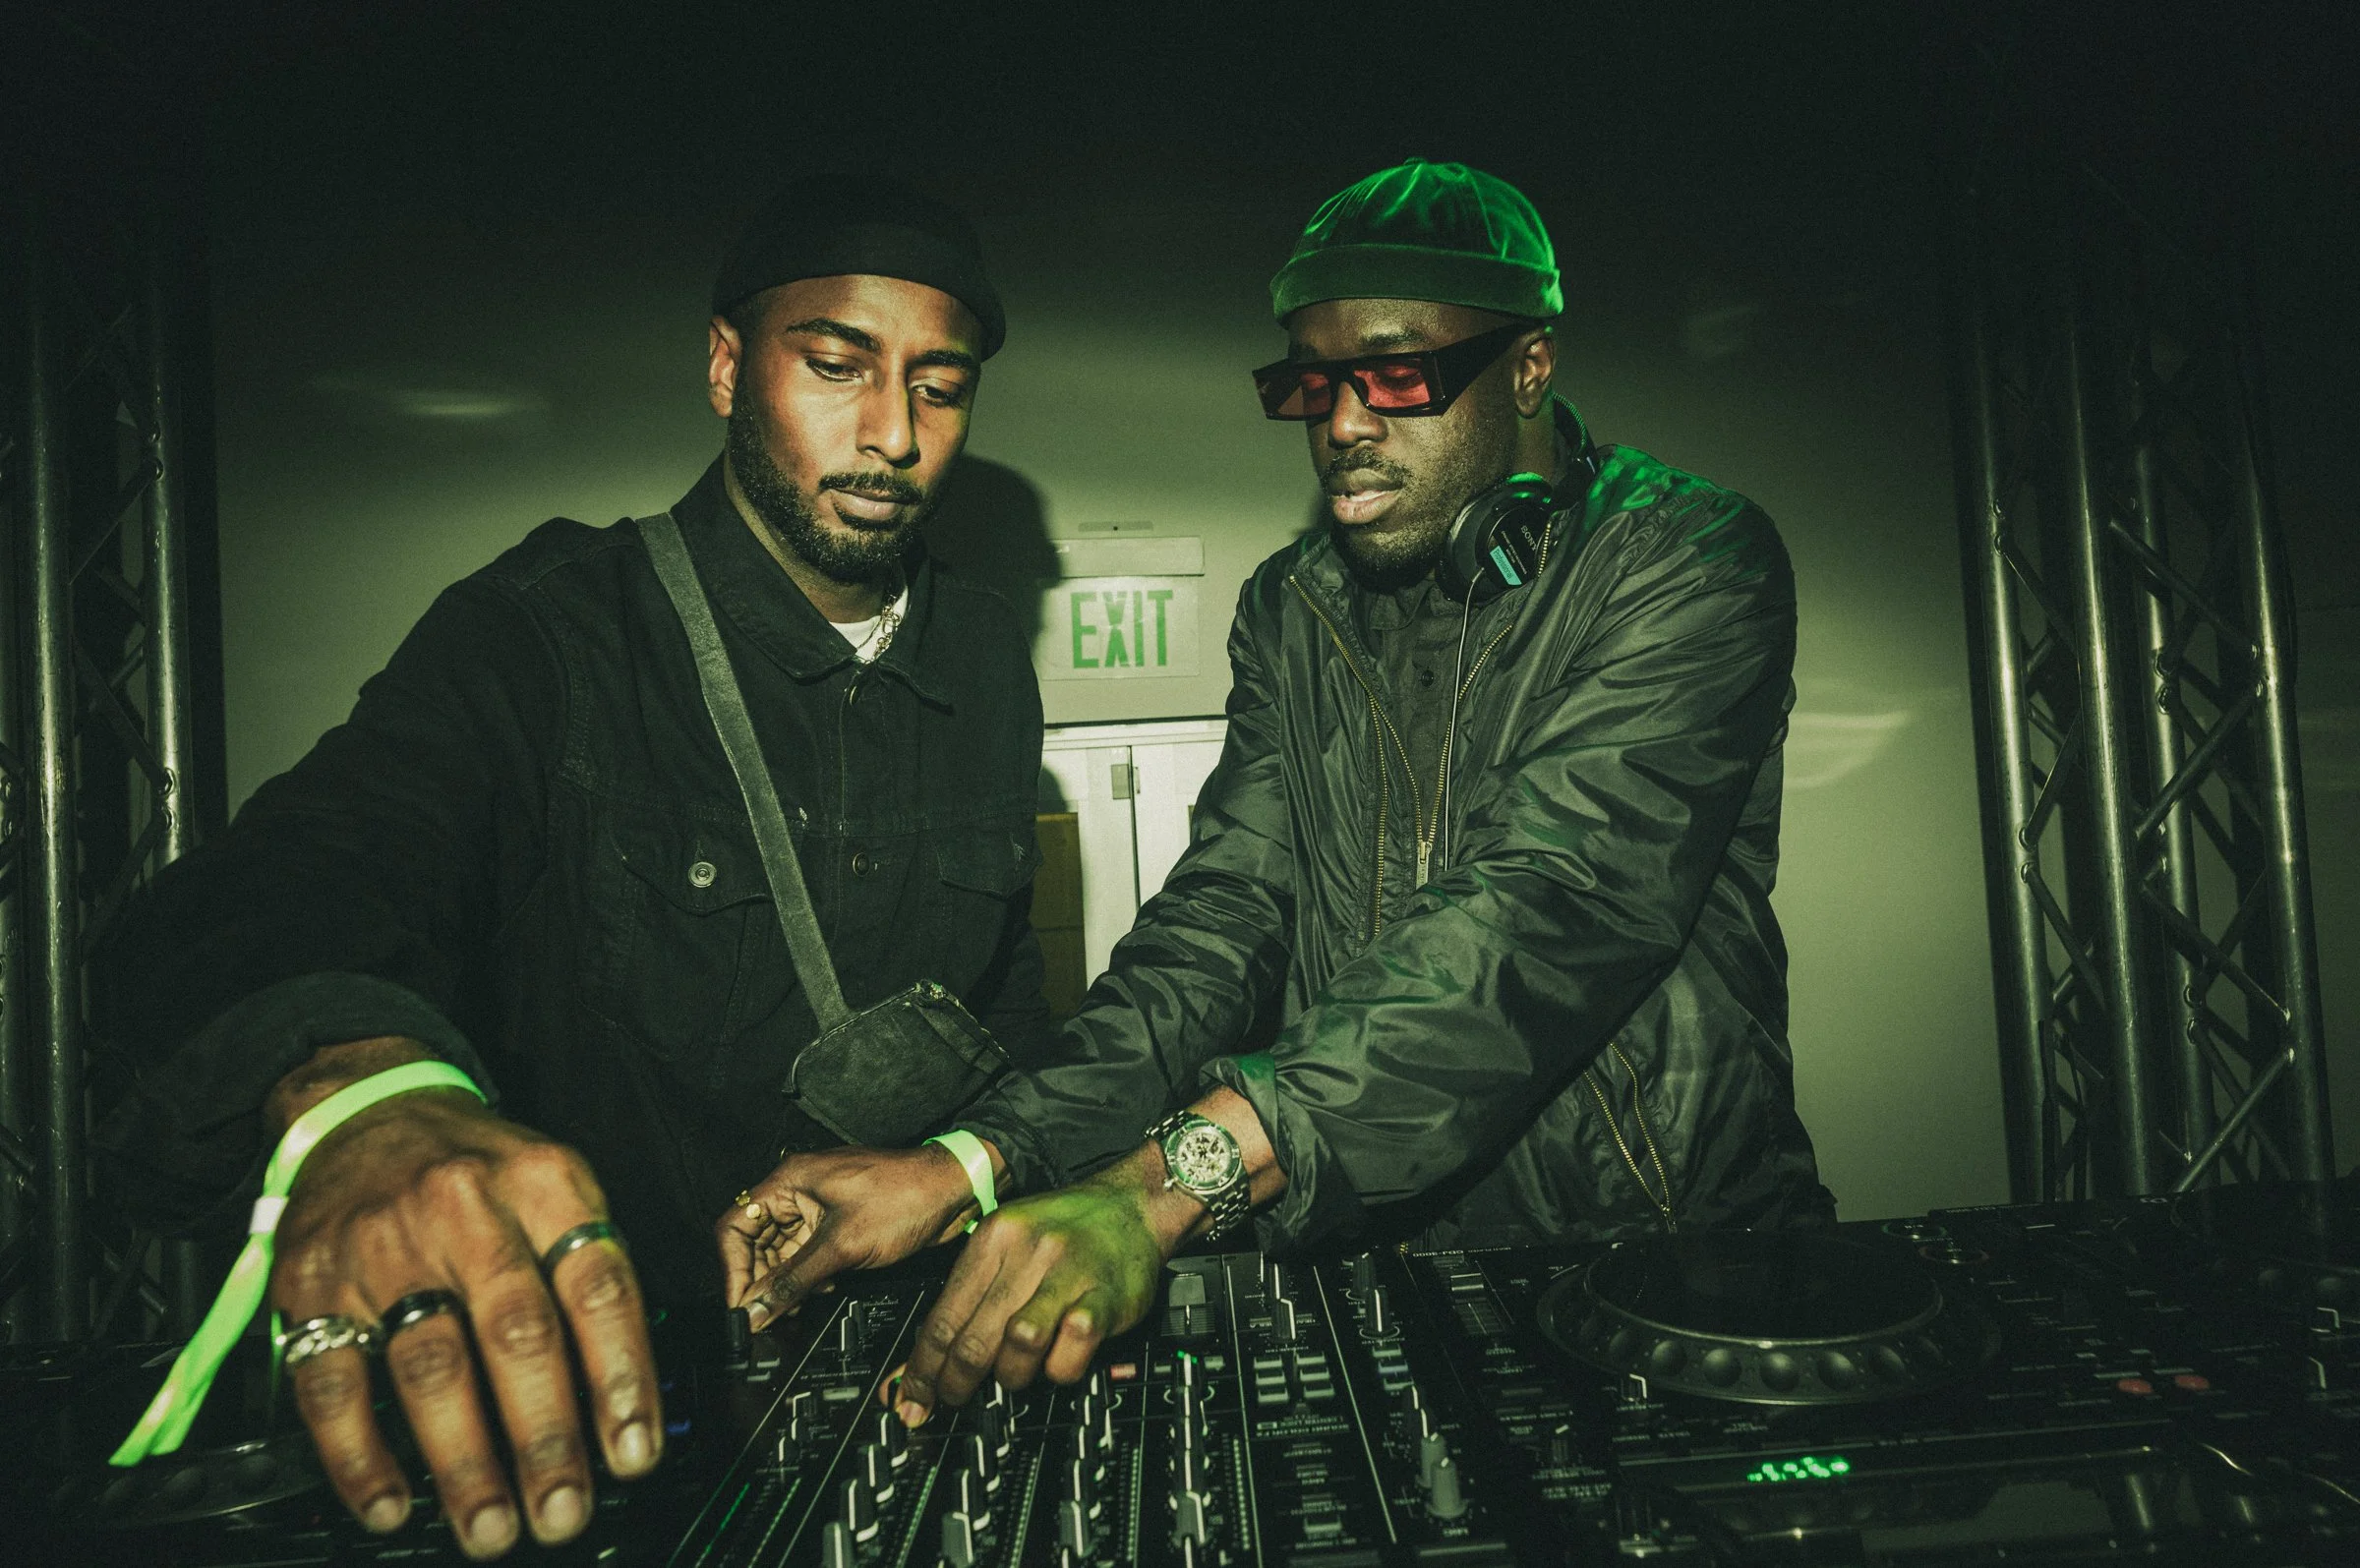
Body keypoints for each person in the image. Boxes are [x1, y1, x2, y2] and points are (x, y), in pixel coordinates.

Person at [726, 159, 1836, 1425]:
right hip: (1376, 1258)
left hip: (1670, 1262)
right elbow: (1222, 927)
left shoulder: (1684, 557)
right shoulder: (1292, 607)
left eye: (1398, 375)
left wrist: (1163, 1186)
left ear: (1530, 367)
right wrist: (969, 1162)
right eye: (1312, 382)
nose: (1345, 423)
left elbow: (1543, 912)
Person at [91, 178, 1054, 1559]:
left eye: (940, 388)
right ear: (727, 368)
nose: (893, 433)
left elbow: (1006, 995)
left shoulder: (986, 654)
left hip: (909, 1376)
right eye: (836, 366)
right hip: (611, 1420)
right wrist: (365, 1093)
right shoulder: (549, 630)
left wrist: (995, 1183)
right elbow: (286, 885)